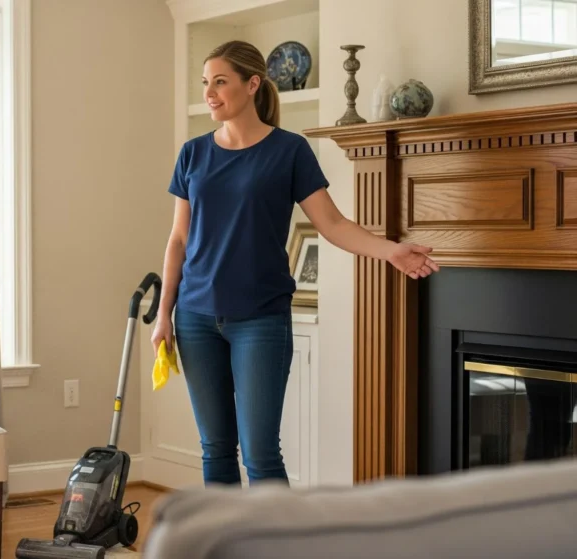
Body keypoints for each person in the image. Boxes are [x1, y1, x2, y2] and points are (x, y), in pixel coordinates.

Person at [150, 40, 439, 487]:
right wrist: (164, 315)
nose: (210, 92)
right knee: (216, 451)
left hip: (261, 320)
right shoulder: (193, 153)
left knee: (262, 455)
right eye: (206, 83)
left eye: (220, 82)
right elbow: (178, 239)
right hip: (194, 319)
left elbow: (333, 223)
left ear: (252, 84)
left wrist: (390, 250)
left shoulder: (289, 151)